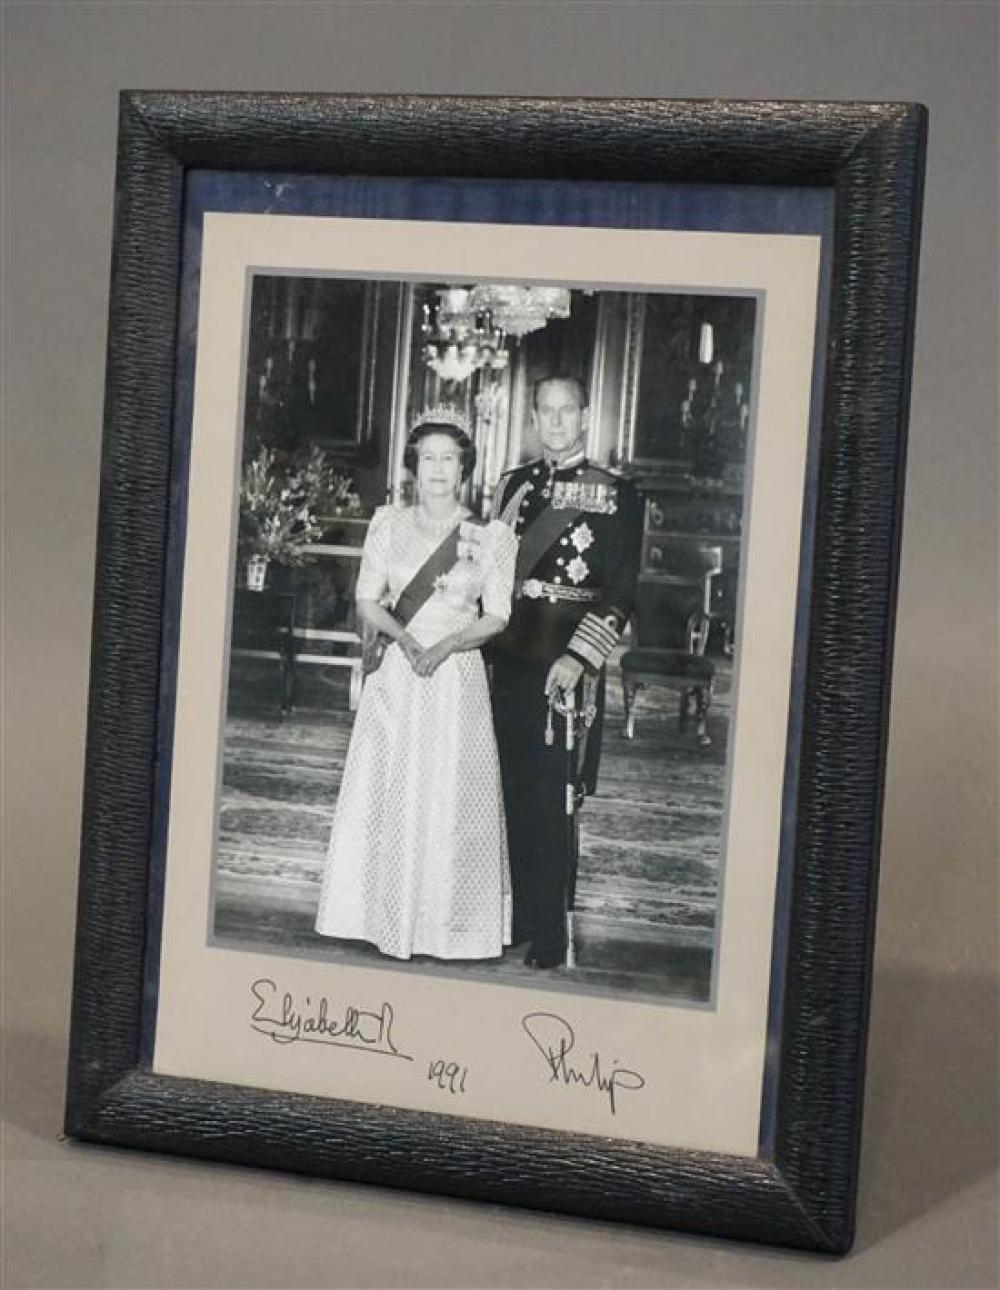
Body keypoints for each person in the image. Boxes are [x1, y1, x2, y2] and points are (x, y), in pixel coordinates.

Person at [314, 410, 517, 960]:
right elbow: (365, 599)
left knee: (451, 794)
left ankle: (446, 928)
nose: (437, 469)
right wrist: (405, 641)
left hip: (457, 674)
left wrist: (447, 645)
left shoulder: (491, 536)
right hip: (400, 674)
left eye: (449, 459)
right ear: (412, 467)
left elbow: (497, 615)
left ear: (464, 469)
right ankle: (383, 916)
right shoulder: (388, 523)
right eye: (427, 458)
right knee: (392, 786)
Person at [490, 374, 643, 969]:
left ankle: (551, 930)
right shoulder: (513, 485)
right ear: (532, 417)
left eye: (566, 411)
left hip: (565, 666)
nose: (555, 422)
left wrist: (579, 657)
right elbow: (493, 577)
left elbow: (620, 591)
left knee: (556, 799)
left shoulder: (617, 494)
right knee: (509, 790)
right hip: (507, 656)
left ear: (584, 416)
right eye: (545, 412)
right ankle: (520, 915)